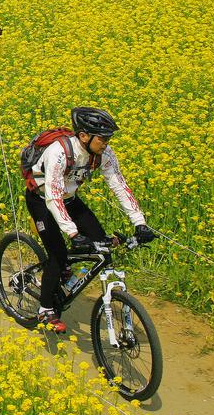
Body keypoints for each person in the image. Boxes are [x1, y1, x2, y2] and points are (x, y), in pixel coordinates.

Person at [23, 107, 153, 333]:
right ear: (84, 136)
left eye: (109, 138)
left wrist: (139, 223)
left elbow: (119, 186)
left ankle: (64, 274)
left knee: (100, 241)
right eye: (103, 138)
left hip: (69, 198)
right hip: (42, 199)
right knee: (58, 253)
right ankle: (45, 309)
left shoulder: (104, 154)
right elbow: (53, 195)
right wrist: (73, 233)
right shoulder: (59, 152)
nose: (106, 143)